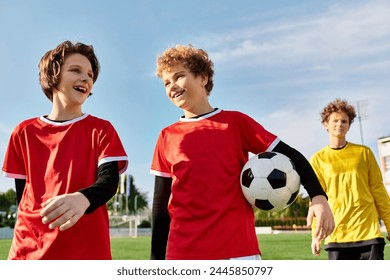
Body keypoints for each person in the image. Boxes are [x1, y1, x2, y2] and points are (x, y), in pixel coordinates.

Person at [150, 44, 334, 260]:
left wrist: (318, 196)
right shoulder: (166, 136)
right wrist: (156, 262)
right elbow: (160, 207)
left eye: (179, 76)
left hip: (238, 252)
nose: (172, 86)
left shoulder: (235, 123)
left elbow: (291, 155)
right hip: (183, 254)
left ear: (202, 78)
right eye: (166, 83)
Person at [2, 40, 128, 260]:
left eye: (90, 74)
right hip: (29, 251)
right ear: (53, 76)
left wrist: (82, 198)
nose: (86, 78)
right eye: (75, 70)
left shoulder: (101, 129)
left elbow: (109, 182)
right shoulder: (23, 131)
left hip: (86, 253)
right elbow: (24, 196)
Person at [310, 98, 390, 260]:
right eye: (335, 120)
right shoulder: (318, 159)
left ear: (349, 125)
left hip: (368, 233)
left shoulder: (364, 153)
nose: (339, 124)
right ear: (326, 124)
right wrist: (316, 235)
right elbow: (317, 200)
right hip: (336, 236)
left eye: (344, 121)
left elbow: (378, 190)